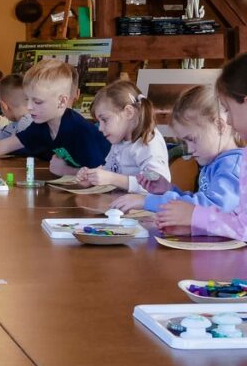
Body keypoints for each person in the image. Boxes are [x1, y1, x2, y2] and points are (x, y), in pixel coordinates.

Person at [0, 58, 110, 177]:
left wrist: (66, 170)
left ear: (62, 101)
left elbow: (101, 176)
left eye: (38, 101)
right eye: (28, 99)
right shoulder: (42, 125)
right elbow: (3, 146)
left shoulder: (80, 131)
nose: (29, 107)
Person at [153, 55, 247, 234]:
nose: (228, 120)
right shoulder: (223, 161)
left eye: (228, 109)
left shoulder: (233, 164)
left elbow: (236, 222)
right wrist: (189, 222)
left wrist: (192, 215)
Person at [114, 84, 241, 215]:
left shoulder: (232, 166)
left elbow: (212, 208)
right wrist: (168, 189)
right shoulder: (216, 163)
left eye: (192, 139)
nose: (190, 149)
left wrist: (148, 201)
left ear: (219, 126)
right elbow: (199, 203)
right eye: (185, 142)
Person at [73, 80, 170, 192]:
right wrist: (92, 176)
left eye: (104, 120)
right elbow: (110, 170)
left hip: (145, 208)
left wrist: (112, 179)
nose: (100, 128)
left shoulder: (149, 143)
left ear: (129, 112)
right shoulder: (119, 142)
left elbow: (157, 185)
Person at [0, 73, 32, 143]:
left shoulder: (25, 124)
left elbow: (13, 146)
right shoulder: (17, 124)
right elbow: (1, 135)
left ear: (4, 106)